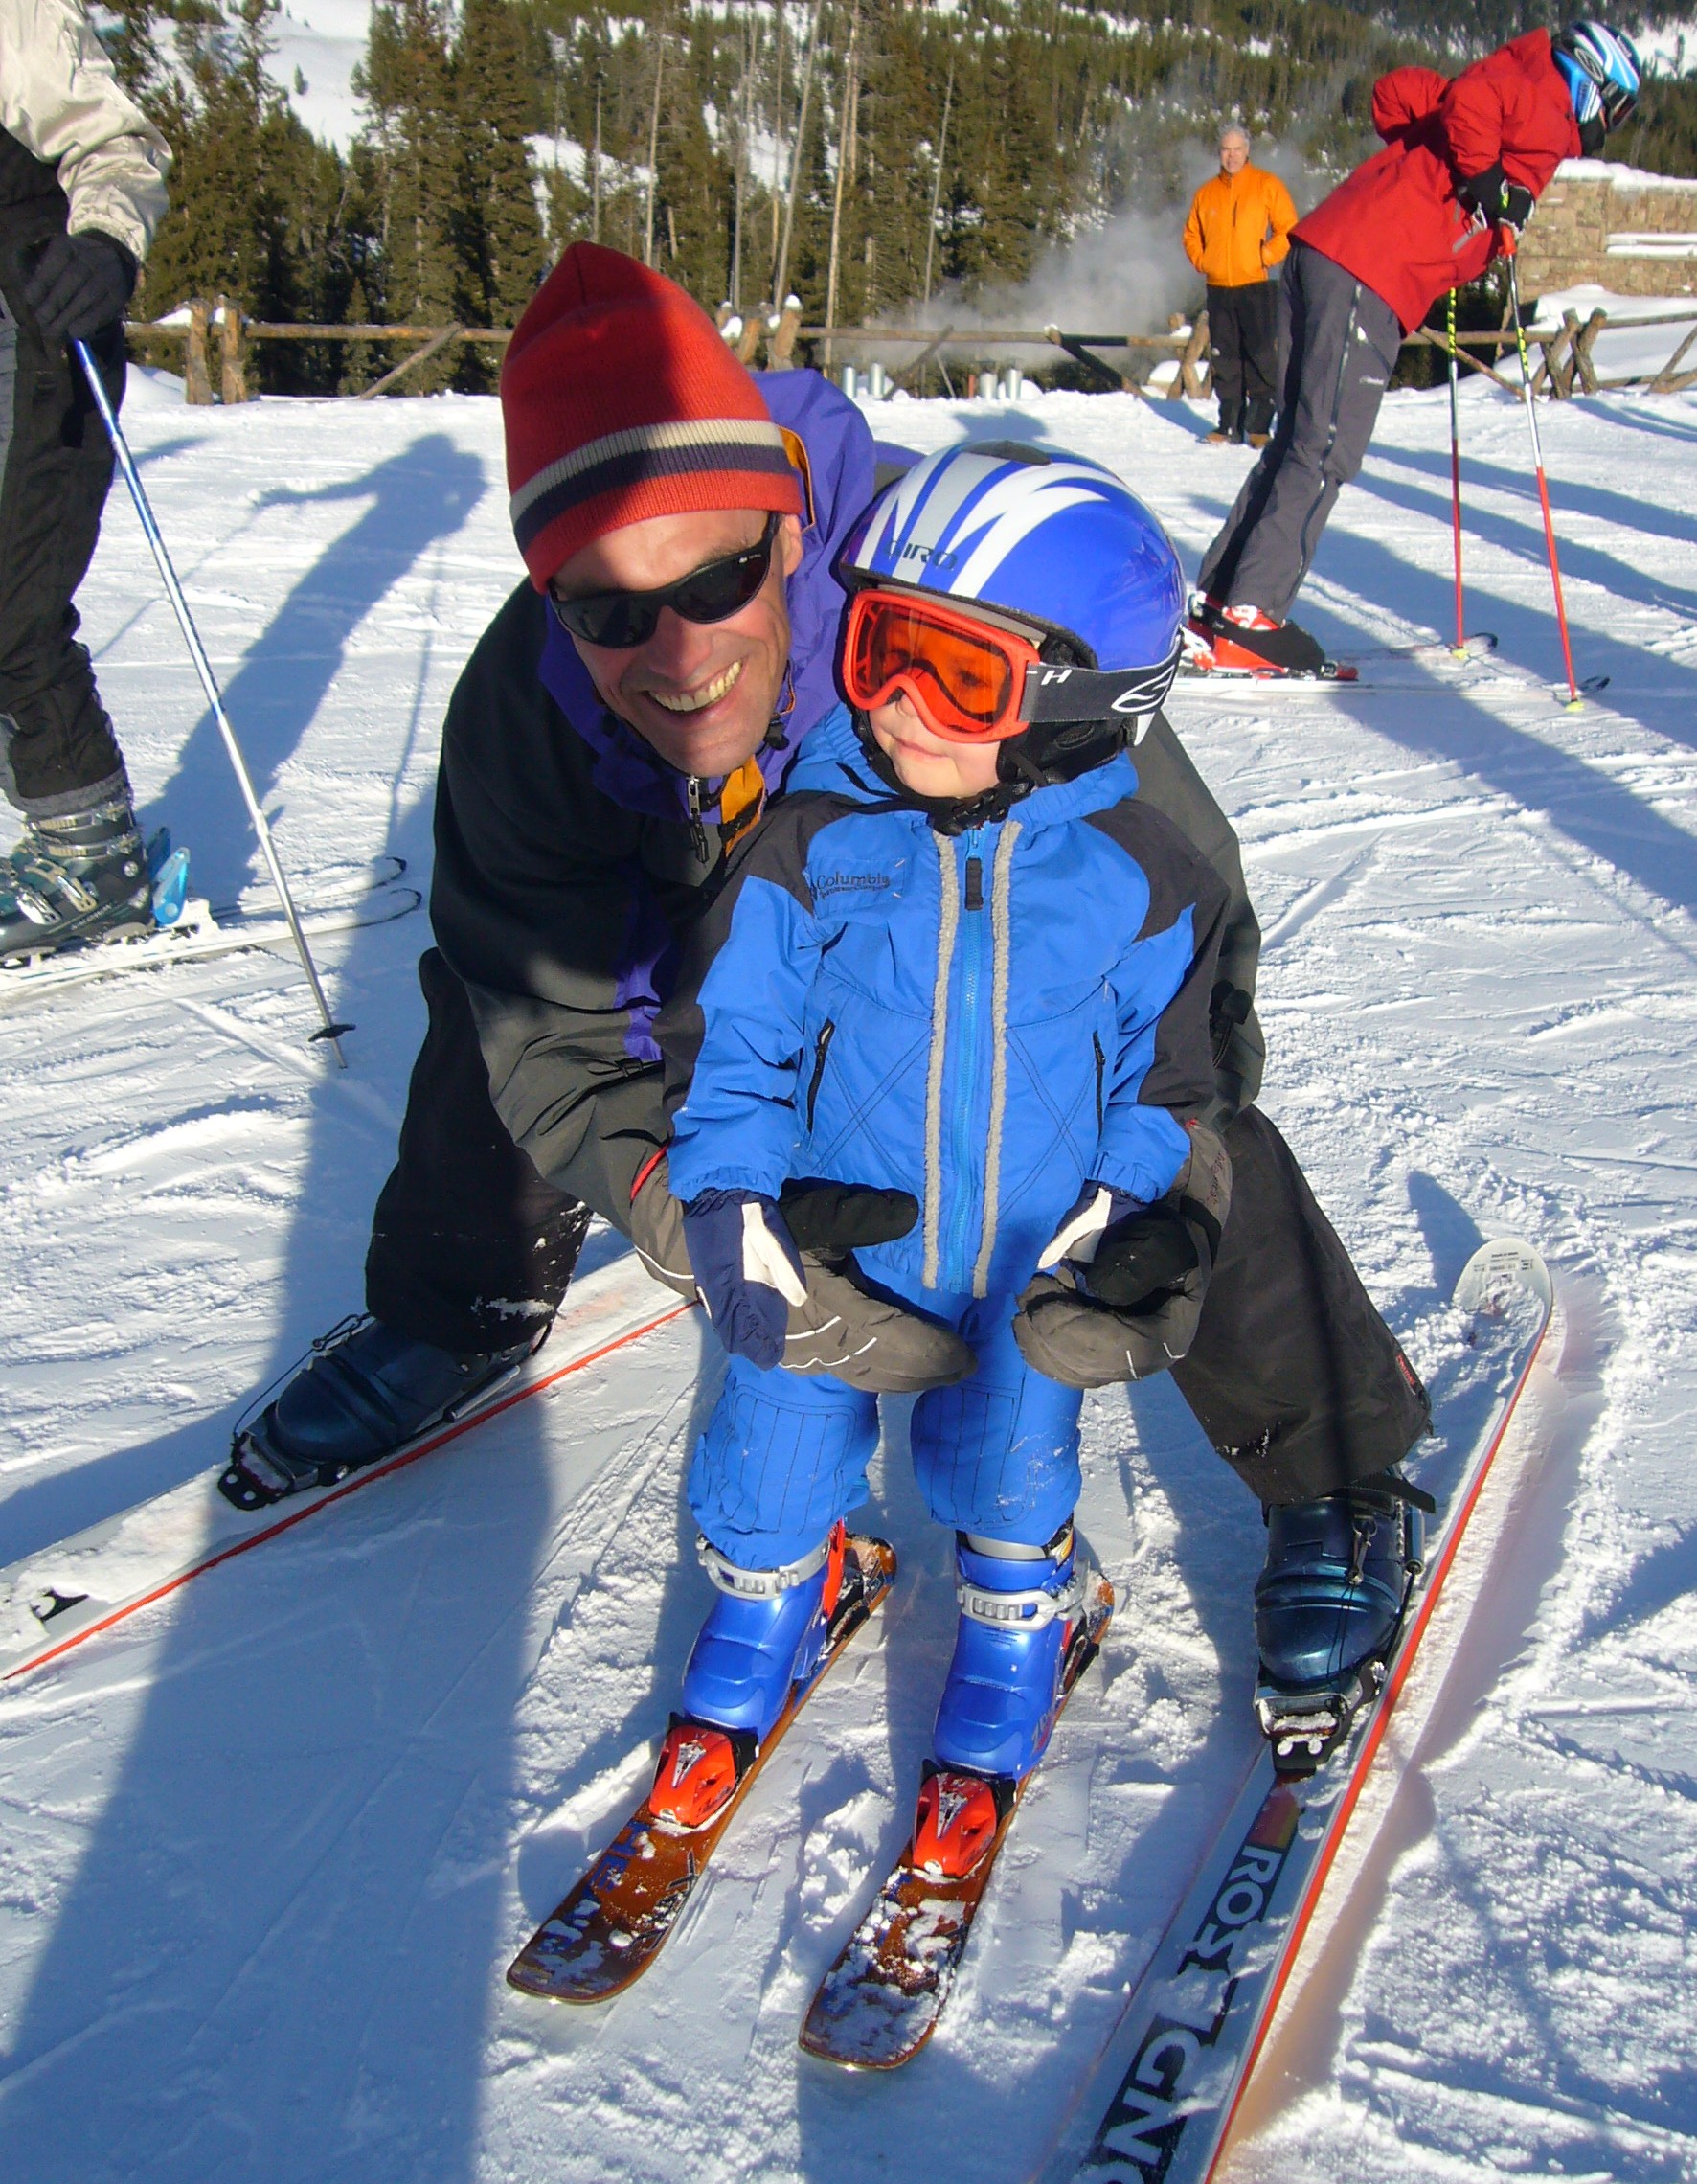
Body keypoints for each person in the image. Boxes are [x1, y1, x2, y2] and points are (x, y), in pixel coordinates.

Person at [225, 246, 1431, 1763]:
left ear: (790, 522)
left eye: (722, 578)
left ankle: (1334, 1462)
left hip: (966, 954)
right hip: (733, 978)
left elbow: (1171, 911)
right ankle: (456, 1301)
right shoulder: (523, 715)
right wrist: (698, 1217)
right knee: (505, 1002)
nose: (675, 652)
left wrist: (1159, 1169)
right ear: (551, 595)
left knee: (1163, 1106)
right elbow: (548, 1022)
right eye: (607, 610)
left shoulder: (955, 586)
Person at [648, 445, 1232, 1840]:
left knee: (1002, 1460)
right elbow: (739, 1041)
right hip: (833, 1244)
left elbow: (1175, 1083)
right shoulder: (816, 833)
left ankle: (1025, 1610)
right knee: (773, 1441)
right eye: (876, 650)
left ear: (1083, 699)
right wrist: (737, 1206)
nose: (893, 707)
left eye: (952, 674)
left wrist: (1133, 1219)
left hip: (1028, 1258)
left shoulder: (1147, 871)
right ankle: (772, 1595)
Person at [1188, 21, 1641, 678]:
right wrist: (1486, 180)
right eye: (1619, 106)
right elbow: (1472, 108)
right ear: (1592, 83)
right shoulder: (1545, 105)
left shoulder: (1515, 87)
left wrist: (1466, 174)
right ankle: (1250, 615)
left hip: (1324, 253)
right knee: (1326, 448)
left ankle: (1221, 600)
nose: (1613, 122)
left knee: (1299, 440)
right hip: (1370, 270)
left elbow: (1396, 96)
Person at [0, 0, 170, 953]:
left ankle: (92, 860)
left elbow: (118, 147)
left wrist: (103, 247)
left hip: (33, 318)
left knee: (11, 600)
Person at [1182, 124, 1295, 447]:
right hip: (1219, 287)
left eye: (1237, 149)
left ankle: (1259, 427)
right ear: (1219, 153)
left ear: (1248, 152)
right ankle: (1228, 424)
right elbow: (1191, 235)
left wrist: (1265, 255)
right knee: (1225, 358)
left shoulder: (1266, 185)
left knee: (1260, 355)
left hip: (1256, 284)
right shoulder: (1206, 193)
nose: (1231, 156)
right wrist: (1204, 261)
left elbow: (1288, 229)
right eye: (1225, 150)